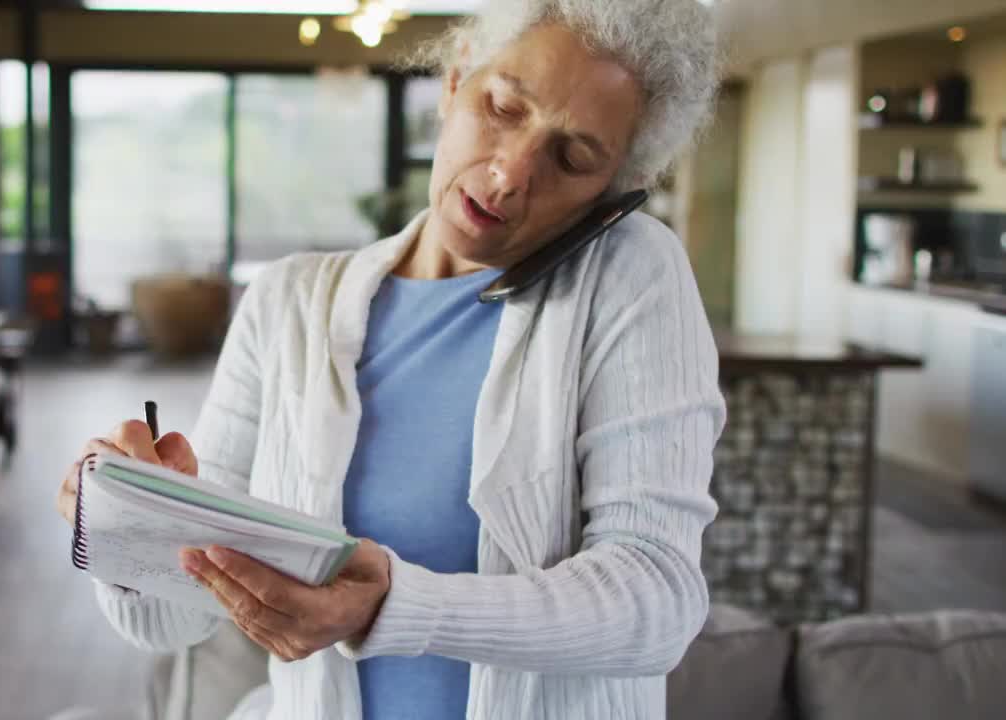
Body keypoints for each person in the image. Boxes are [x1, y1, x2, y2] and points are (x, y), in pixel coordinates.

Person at [57, 0, 724, 717]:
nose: (509, 176)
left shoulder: (628, 276)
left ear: (612, 193)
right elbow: (175, 621)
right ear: (456, 77)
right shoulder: (287, 304)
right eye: (503, 107)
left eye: (571, 157)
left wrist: (397, 608)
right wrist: (132, 526)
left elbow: (656, 597)